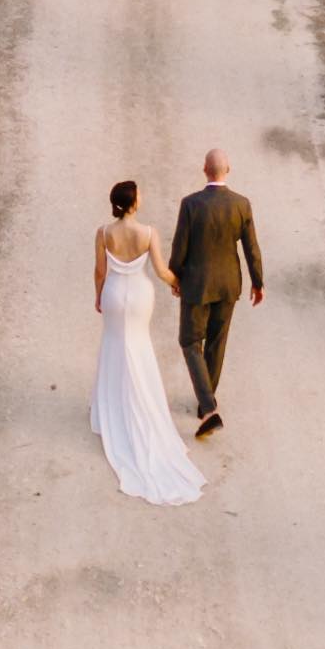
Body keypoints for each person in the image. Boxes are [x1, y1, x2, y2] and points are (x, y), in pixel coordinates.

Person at [90, 180, 203, 505]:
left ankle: (111, 404)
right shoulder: (148, 233)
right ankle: (141, 399)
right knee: (138, 346)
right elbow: (161, 270)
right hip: (139, 295)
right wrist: (178, 284)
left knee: (113, 344)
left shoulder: (103, 233)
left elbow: (100, 271)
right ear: (133, 203)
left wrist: (99, 296)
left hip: (114, 293)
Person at [169, 148, 265, 439]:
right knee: (216, 343)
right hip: (228, 284)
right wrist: (257, 282)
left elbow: (180, 246)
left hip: (197, 285)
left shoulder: (191, 204)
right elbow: (251, 247)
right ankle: (205, 405)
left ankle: (209, 406)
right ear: (228, 170)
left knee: (189, 340)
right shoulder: (242, 204)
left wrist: (175, 277)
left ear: (204, 170)